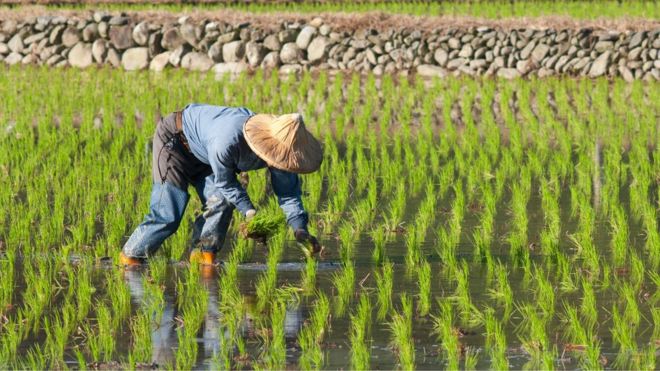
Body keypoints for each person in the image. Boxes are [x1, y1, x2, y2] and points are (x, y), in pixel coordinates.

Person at [119, 104, 323, 266]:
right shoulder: (229, 139)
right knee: (168, 213)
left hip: (206, 153)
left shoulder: (283, 153)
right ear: (267, 142)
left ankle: (202, 256)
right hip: (176, 143)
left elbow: (288, 193)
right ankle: (130, 258)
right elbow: (225, 181)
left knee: (223, 201)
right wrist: (249, 212)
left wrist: (299, 229)